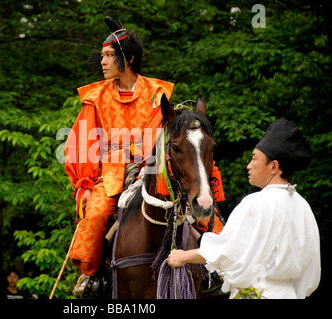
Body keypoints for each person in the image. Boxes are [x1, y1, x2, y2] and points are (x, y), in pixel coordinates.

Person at [64, 16, 225, 295]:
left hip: (152, 165)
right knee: (97, 213)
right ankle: (91, 277)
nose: (102, 62)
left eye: (109, 56)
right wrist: (85, 185)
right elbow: (81, 140)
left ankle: (215, 263)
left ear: (128, 59)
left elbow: (169, 132)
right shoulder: (95, 97)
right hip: (111, 171)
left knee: (198, 204)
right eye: (102, 56)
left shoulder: (157, 93)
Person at [168, 119, 321, 299]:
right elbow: (311, 270)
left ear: (274, 167)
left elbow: (227, 251)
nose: (249, 165)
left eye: (254, 158)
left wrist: (183, 256)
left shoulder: (257, 202)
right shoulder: (303, 206)